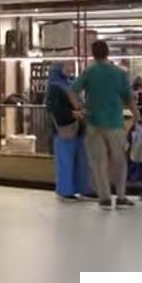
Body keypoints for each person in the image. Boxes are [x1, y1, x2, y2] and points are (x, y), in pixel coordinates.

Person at [71, 40, 139, 210]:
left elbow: (72, 91)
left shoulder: (89, 72)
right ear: (108, 53)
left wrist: (81, 108)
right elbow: (129, 98)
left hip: (93, 122)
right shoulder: (118, 73)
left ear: (93, 54)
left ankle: (105, 198)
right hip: (115, 122)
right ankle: (121, 197)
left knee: (98, 162)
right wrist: (137, 115)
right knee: (119, 161)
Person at [46, 63, 92, 200]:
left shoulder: (70, 84)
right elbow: (53, 109)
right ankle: (65, 190)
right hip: (64, 129)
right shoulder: (54, 88)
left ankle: (84, 188)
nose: (69, 69)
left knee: (82, 161)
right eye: (65, 67)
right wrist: (72, 114)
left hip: (78, 128)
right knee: (65, 162)